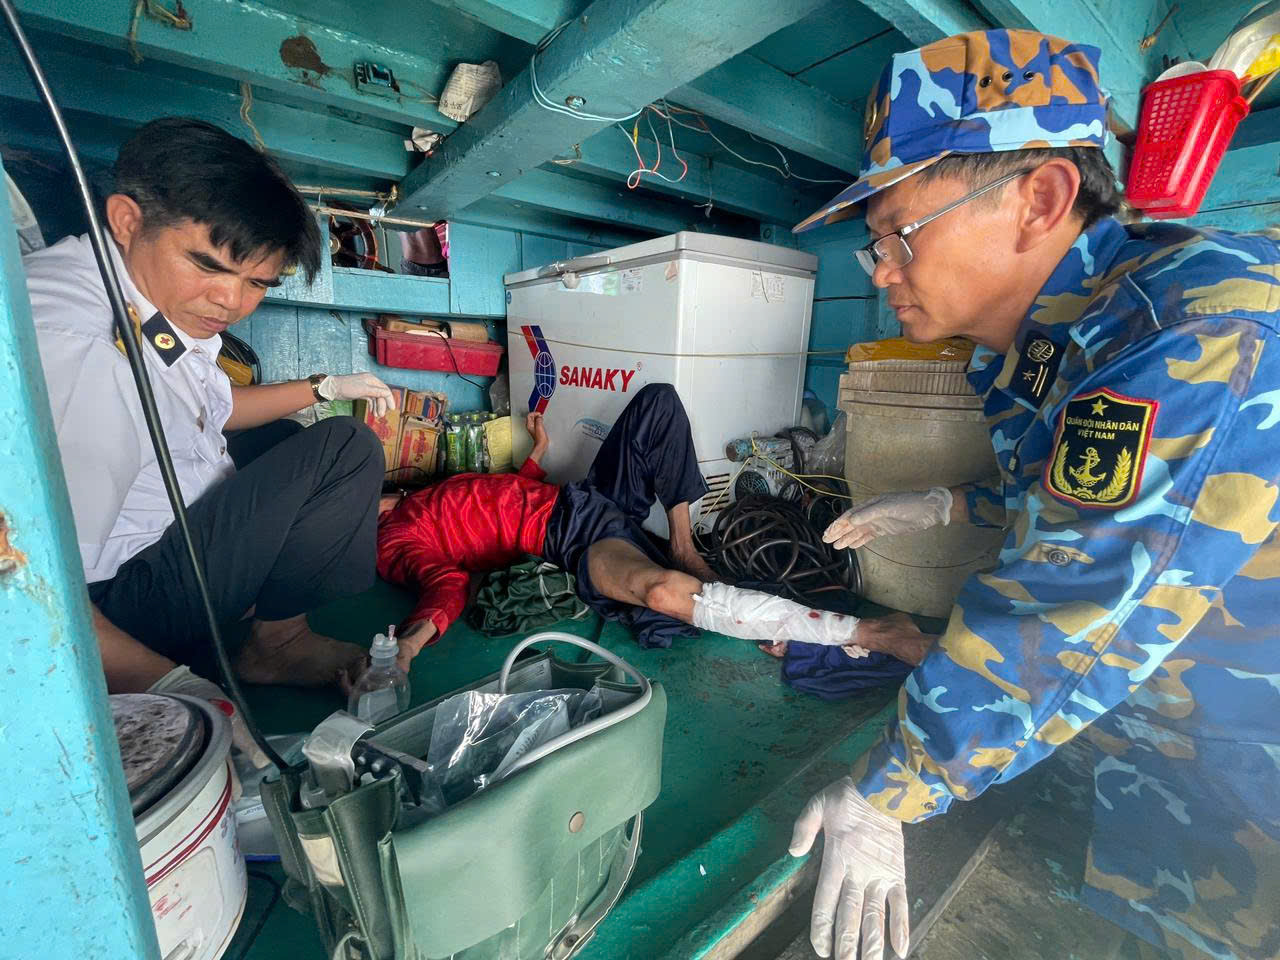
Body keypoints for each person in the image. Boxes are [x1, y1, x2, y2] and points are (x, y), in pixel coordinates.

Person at [784, 28, 1280, 960]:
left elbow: (1078, 602)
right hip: (1175, 762)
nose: (883, 268)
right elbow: (1077, 496)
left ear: (1040, 198)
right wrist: (951, 504)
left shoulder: (1195, 332)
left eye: (898, 234)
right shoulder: (1052, 343)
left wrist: (891, 790)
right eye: (875, 246)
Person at [25, 117, 398, 764]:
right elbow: (38, 598)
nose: (230, 301)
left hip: (151, 545)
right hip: (109, 616)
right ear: (127, 219)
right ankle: (277, 644)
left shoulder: (139, 290)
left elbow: (209, 411)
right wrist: (172, 686)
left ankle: (262, 627)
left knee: (285, 435)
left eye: (257, 283)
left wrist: (323, 386)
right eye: (208, 265)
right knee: (345, 450)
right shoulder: (85, 351)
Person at [377, 383, 882, 664]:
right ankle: (781, 623)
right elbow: (445, 587)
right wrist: (410, 645)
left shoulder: (408, 500)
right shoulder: (392, 540)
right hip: (568, 534)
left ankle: (684, 543)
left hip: (583, 496)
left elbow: (493, 498)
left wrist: (538, 454)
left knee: (658, 401)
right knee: (661, 591)